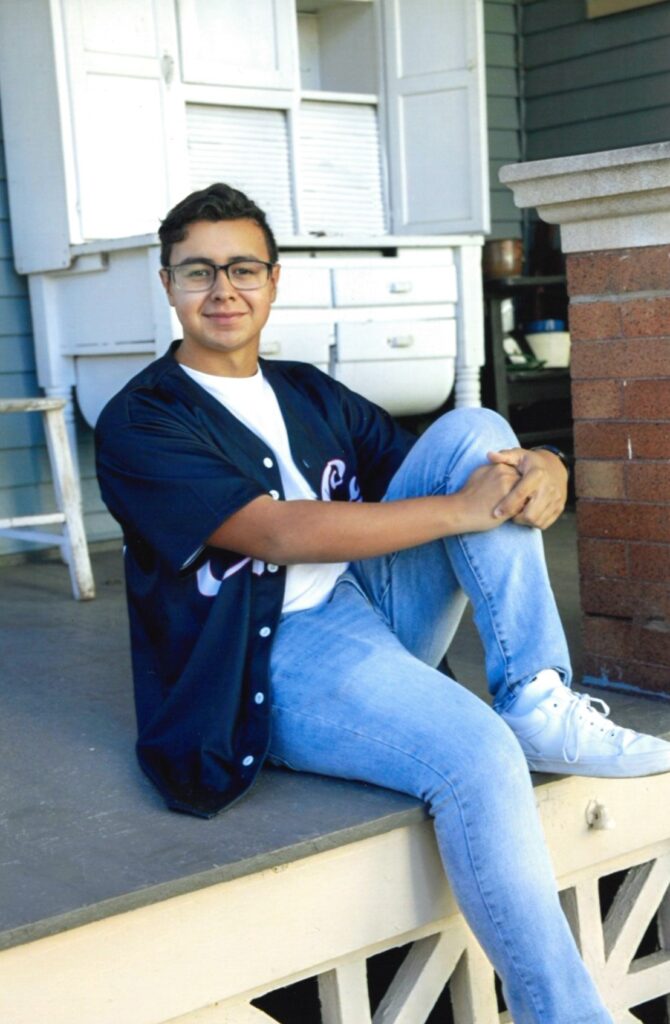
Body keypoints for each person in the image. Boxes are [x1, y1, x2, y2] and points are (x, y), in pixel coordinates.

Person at [96, 183, 670, 1024]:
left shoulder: (304, 390)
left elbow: (451, 469)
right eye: (198, 271)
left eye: (243, 269)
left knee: (479, 431)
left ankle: (537, 695)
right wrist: (463, 510)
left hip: (366, 607)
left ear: (273, 279)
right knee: (479, 758)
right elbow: (278, 533)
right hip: (270, 658)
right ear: (167, 284)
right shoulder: (141, 420)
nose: (223, 290)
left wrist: (546, 463)